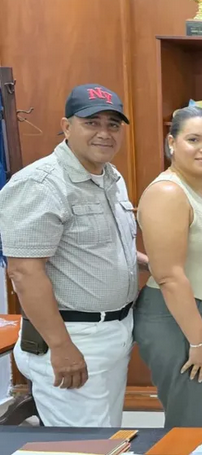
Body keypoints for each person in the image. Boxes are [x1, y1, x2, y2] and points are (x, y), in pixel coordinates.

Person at [0, 84, 140, 426]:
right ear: (66, 126)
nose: (104, 133)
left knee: (108, 437)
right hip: (71, 336)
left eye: (113, 124)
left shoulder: (110, 177)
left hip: (114, 332)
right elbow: (24, 273)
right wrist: (61, 347)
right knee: (81, 444)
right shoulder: (41, 184)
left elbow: (101, 248)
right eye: (92, 122)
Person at [134, 106, 202, 428]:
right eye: (194, 139)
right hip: (182, 320)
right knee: (195, 426)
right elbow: (169, 276)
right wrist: (198, 340)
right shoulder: (168, 192)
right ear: (172, 142)